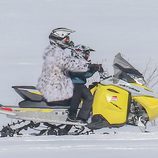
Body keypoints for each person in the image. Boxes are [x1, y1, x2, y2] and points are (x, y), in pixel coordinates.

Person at [36, 28, 89, 103]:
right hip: (55, 88)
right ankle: (76, 115)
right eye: (66, 39)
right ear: (59, 39)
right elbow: (69, 64)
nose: (68, 41)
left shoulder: (56, 51)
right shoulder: (56, 52)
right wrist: (86, 65)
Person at [67, 44, 104, 123]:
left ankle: (82, 118)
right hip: (72, 84)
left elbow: (85, 75)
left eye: (88, 54)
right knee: (81, 96)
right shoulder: (73, 61)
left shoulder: (80, 62)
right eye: (86, 53)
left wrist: (95, 69)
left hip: (79, 84)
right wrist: (91, 68)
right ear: (80, 53)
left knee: (89, 97)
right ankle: (72, 115)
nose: (88, 55)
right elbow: (78, 72)